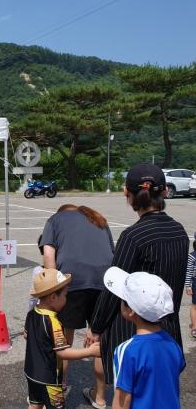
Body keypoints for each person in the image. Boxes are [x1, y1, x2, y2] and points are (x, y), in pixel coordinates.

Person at [88, 164, 189, 399]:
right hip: (168, 327)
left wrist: (97, 327)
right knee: (161, 392)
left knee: (130, 394)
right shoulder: (179, 231)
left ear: (127, 193)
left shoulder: (133, 236)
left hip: (134, 330)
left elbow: (114, 287)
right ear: (165, 192)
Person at [40, 204, 114, 408]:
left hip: (72, 281)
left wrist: (53, 290)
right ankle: (100, 398)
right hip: (105, 282)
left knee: (63, 339)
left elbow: (48, 256)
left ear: (62, 213)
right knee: (99, 340)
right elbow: (111, 253)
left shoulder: (55, 220)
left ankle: (59, 390)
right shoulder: (98, 219)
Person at [103, 267, 185, 409]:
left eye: (122, 299)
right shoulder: (173, 344)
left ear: (130, 310)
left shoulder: (126, 350)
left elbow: (122, 401)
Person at [25, 269, 101, 409]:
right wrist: (89, 351)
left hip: (31, 373)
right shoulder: (54, 322)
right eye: (65, 295)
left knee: (35, 404)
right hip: (49, 379)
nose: (66, 299)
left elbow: (26, 335)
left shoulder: (32, 313)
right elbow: (62, 353)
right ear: (53, 297)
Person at [186, 232, 196, 339]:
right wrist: (188, 286)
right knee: (194, 306)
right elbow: (188, 272)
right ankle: (194, 327)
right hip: (195, 282)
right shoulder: (192, 256)